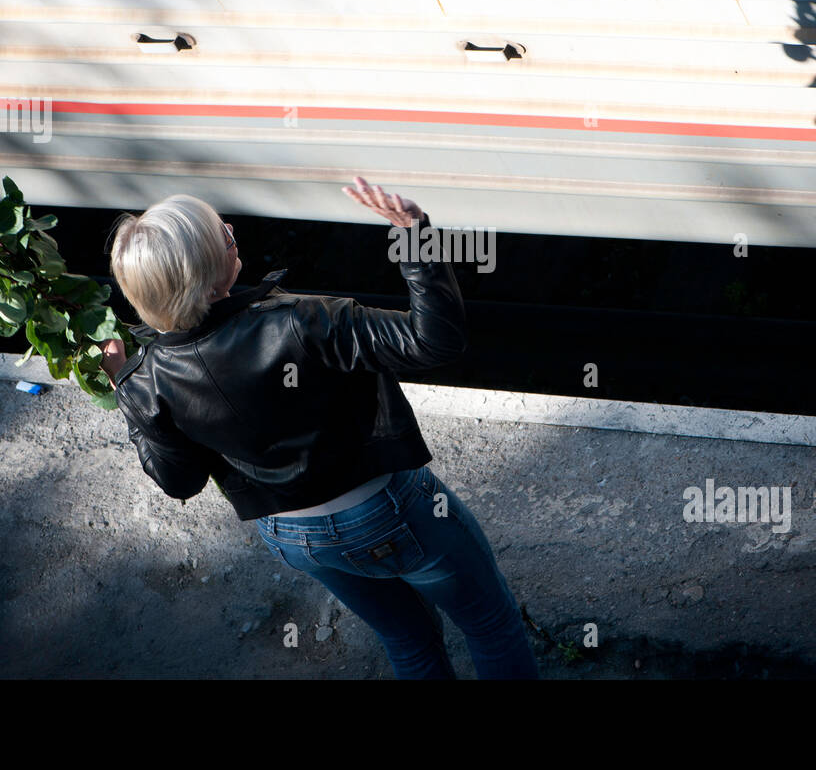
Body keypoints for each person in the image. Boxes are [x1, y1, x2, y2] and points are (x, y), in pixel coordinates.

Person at [100, 176, 538, 680]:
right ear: (204, 271)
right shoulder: (302, 321)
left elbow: (182, 482)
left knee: (407, 638)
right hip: (386, 509)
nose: (230, 227)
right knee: (489, 622)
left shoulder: (144, 378)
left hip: (292, 534)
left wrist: (128, 396)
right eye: (219, 233)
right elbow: (433, 342)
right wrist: (418, 238)